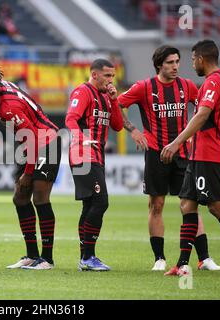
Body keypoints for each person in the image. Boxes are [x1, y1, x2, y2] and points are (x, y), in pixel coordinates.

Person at [117, 45, 220, 271]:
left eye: (177, 62)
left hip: (184, 154)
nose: (176, 67)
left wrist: (197, 136)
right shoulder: (144, 87)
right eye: (170, 63)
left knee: (190, 205)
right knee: (157, 204)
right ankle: (159, 259)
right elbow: (116, 105)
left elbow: (205, 110)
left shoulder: (187, 86)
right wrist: (133, 130)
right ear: (159, 65)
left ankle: (204, 259)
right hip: (156, 154)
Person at [161, 40, 220, 277]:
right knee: (187, 204)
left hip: (208, 153)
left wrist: (177, 142)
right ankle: (182, 264)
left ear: (202, 59)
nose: (192, 63)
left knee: (216, 206)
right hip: (199, 154)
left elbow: (203, 114)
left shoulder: (213, 81)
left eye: (193, 59)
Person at [0, 63, 60, 270]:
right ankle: (31, 255)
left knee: (39, 197)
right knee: (20, 198)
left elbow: (32, 140)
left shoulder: (8, 108)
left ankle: (47, 259)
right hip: (28, 143)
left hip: (45, 142)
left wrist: (28, 174)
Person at [65, 59, 124, 271]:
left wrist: (115, 100)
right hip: (82, 154)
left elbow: (117, 126)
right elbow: (71, 119)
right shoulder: (83, 92)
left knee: (90, 204)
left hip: (96, 156)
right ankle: (88, 257)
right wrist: (81, 139)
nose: (110, 81)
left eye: (112, 77)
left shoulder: (107, 98)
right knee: (101, 202)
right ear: (95, 74)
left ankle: (85, 258)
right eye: (107, 76)